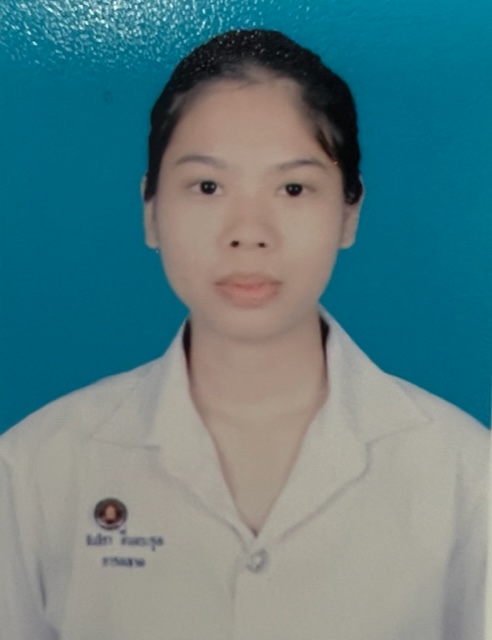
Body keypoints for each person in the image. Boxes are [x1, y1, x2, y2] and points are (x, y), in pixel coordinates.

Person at [0, 28, 488, 640]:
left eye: (293, 188)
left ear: (350, 212)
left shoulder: (468, 477)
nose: (248, 232)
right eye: (207, 187)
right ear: (150, 209)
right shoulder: (34, 470)